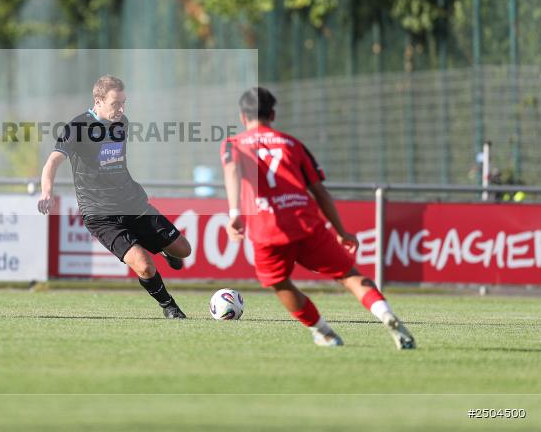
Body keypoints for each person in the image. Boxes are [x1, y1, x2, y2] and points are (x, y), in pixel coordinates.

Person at [221, 87, 415, 349]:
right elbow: (320, 192)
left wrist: (234, 213)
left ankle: (324, 333)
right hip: (306, 222)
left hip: (268, 229)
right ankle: (386, 314)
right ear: (273, 114)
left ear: (243, 117)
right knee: (348, 275)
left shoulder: (233, 143)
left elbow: (232, 170)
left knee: (280, 283)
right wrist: (341, 232)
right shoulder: (293, 144)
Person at [37, 75, 192, 318]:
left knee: (184, 250)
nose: (121, 109)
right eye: (115, 104)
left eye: (123, 103)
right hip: (100, 215)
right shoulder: (77, 128)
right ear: (98, 101)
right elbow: (52, 161)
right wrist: (47, 191)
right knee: (144, 266)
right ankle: (169, 306)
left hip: (133, 203)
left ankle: (163, 249)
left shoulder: (122, 123)